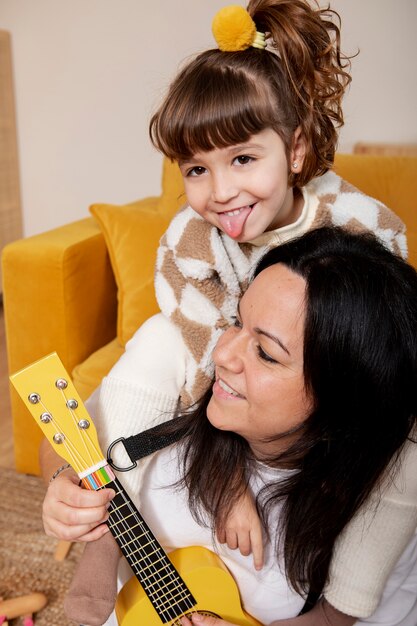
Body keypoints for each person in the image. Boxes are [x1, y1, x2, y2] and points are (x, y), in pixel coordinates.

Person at [39, 2, 416, 625]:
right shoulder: (192, 242)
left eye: (242, 159)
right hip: (212, 383)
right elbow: (205, 345)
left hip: (345, 387)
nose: (219, 193)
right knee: (162, 339)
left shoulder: (357, 224)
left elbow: (385, 329)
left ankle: (342, 604)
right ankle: (105, 536)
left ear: (296, 151)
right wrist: (228, 479)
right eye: (195, 169)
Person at [54, 228, 417, 625]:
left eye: (265, 353)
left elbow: (341, 617)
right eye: (237, 321)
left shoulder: (381, 498)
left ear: (342, 401)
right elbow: (68, 438)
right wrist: (65, 489)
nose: (222, 354)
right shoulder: (172, 394)